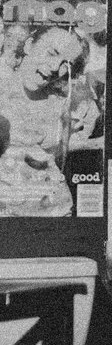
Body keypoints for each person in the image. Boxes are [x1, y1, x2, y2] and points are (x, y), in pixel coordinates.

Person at [0, 22, 101, 215]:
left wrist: (100, 142)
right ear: (29, 45)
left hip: (55, 211)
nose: (56, 67)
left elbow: (60, 153)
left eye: (67, 64)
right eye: (52, 53)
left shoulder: (61, 103)